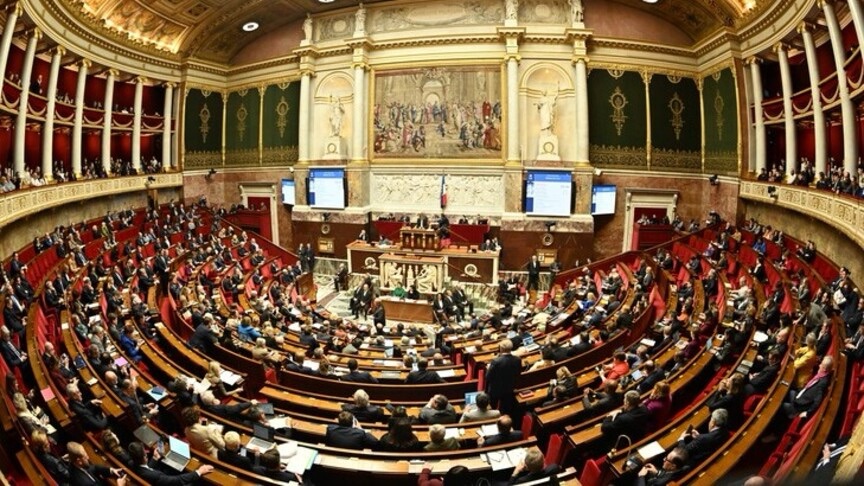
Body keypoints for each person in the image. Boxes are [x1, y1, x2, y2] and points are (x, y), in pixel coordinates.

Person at [128, 441, 213, 484]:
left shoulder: (131, 464)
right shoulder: (155, 476)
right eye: (145, 453)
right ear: (144, 457)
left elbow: (146, 469)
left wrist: (155, 458)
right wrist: (199, 472)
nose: (146, 454)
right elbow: (177, 480)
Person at [485, 339, 522, 415]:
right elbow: (518, 374)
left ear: (501, 348)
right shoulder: (518, 359)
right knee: (505, 409)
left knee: (492, 407)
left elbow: (488, 376)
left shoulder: (496, 361)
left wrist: (489, 368)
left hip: (495, 389)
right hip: (509, 388)